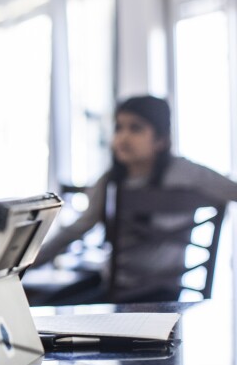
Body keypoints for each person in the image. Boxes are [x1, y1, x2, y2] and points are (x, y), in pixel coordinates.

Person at [34, 95, 237, 302]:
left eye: (135, 128)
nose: (123, 138)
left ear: (161, 139)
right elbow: (74, 231)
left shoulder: (186, 172)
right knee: (43, 304)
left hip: (139, 296)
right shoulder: (110, 180)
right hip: (118, 288)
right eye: (119, 128)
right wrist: (26, 263)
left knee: (44, 313)